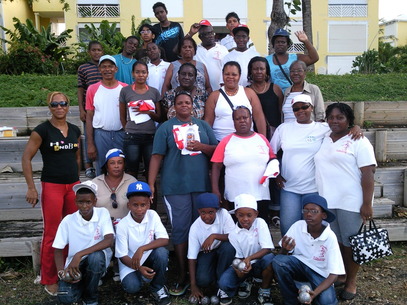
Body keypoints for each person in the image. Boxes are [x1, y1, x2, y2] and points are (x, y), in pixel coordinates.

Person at [149, 91, 218, 296]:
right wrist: (151, 184)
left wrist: (201, 146)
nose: (184, 105)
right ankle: (182, 273)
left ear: (193, 106)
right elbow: (156, 157)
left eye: (187, 102)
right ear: (174, 107)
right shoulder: (165, 128)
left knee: (200, 230)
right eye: (180, 103)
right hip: (175, 187)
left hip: (200, 187)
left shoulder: (203, 126)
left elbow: (215, 150)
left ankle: (200, 272)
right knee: (180, 230)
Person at [270, 94, 362, 236]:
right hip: (289, 188)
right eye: (296, 109)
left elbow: (342, 128)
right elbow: (270, 152)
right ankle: (289, 257)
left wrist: (356, 127)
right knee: (288, 228)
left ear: (311, 108)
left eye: (304, 107)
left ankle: (312, 256)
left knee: (315, 228)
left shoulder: (323, 128)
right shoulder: (283, 129)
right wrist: (276, 174)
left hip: (314, 188)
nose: (300, 111)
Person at [314, 103, 377, 301]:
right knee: (338, 242)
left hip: (351, 201)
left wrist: (367, 204)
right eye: (331, 117)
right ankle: (340, 275)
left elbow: (368, 173)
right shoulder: (325, 137)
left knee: (352, 244)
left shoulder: (358, 141)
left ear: (349, 120)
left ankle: (351, 281)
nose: (334, 121)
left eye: (340, 117)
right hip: (328, 200)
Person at [22, 91, 81, 296]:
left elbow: (76, 158)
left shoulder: (74, 130)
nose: (59, 107)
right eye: (55, 104)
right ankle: (49, 278)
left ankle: (70, 271)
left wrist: (78, 180)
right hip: (52, 186)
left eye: (63, 103)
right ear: (50, 107)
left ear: (68, 106)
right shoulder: (42, 131)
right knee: (52, 233)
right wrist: (31, 187)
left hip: (72, 186)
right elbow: (26, 158)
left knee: (73, 230)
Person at [272, 194, 345, 305]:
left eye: (314, 211)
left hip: (320, 274)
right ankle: (291, 300)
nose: (309, 214)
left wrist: (314, 293)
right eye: (305, 210)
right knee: (278, 261)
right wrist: (285, 249)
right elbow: (282, 256)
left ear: (323, 215)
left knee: (327, 302)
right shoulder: (298, 226)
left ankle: (310, 290)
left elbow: (334, 275)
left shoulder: (330, 237)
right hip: (300, 266)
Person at [53, 181, 115, 305]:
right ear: (75, 202)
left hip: (96, 261)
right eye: (81, 202)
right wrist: (61, 273)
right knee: (65, 298)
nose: (85, 206)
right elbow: (58, 249)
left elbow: (109, 240)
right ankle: (82, 284)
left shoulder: (102, 213)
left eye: (88, 202)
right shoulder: (68, 220)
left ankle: (90, 297)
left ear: (95, 201)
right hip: (75, 265)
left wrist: (79, 254)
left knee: (95, 258)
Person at [211, 106, 277, 221]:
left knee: (260, 227)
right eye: (238, 118)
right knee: (238, 230)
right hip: (236, 196)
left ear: (251, 119)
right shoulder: (226, 141)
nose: (242, 120)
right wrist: (215, 190)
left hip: (260, 194)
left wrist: (276, 174)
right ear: (233, 122)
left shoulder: (261, 138)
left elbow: (272, 159)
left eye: (245, 117)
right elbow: (216, 166)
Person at [115, 181, 170, 305]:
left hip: (148, 256)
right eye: (135, 205)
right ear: (129, 205)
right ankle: (142, 277)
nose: (139, 209)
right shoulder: (122, 225)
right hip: (130, 261)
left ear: (149, 205)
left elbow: (164, 239)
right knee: (132, 287)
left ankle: (158, 287)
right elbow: (123, 256)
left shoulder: (153, 215)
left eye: (143, 205)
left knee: (161, 252)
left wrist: (142, 249)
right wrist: (139, 268)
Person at [218, 194, 275, 305]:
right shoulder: (233, 234)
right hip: (245, 264)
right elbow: (238, 257)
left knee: (270, 258)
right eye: (241, 215)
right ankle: (246, 280)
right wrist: (239, 269)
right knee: (224, 283)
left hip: (259, 263)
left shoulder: (260, 223)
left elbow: (267, 248)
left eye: (249, 215)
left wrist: (249, 258)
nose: (245, 219)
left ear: (256, 214)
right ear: (236, 215)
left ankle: (264, 289)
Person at [188, 193, 236, 302]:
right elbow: (191, 258)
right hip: (206, 253)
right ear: (198, 211)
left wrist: (214, 236)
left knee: (229, 247)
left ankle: (222, 283)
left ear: (216, 210)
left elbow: (234, 236)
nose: (207, 216)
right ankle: (213, 277)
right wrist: (193, 285)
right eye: (203, 212)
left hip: (223, 249)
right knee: (203, 280)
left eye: (211, 212)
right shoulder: (195, 228)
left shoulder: (223, 214)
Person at [204, 61, 267, 142]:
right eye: (227, 74)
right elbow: (208, 122)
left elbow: (259, 118)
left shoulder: (249, 93)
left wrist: (263, 140)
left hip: (246, 141)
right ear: (222, 75)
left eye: (234, 74)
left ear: (239, 76)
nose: (230, 77)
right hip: (220, 142)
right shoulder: (214, 96)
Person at [86, 55, 127, 176]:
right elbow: (89, 116)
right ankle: (102, 194)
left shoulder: (124, 88)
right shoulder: (92, 89)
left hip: (121, 134)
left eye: (110, 66)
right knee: (101, 168)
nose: (107, 69)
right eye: (104, 67)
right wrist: (90, 143)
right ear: (99, 69)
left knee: (120, 167)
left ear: (116, 69)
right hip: (101, 135)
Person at [119, 61, 161, 179]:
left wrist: (148, 112)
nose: (140, 75)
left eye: (143, 72)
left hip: (150, 136)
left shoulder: (154, 92)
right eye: (137, 72)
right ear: (133, 74)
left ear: (147, 74)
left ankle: (152, 196)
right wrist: (127, 128)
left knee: (150, 170)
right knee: (132, 169)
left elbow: (160, 117)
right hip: (132, 136)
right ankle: (132, 195)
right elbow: (122, 115)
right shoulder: (125, 91)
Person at [77, 41, 103, 179]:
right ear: (89, 52)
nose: (96, 52)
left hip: (102, 108)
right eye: (93, 50)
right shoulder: (83, 68)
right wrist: (81, 109)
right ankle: (88, 166)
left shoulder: (106, 66)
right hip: (88, 107)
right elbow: (80, 89)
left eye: (99, 50)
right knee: (89, 135)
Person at [266, 28, 319, 93]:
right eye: (277, 42)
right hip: (274, 95)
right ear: (273, 45)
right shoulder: (266, 60)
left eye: (283, 42)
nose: (280, 44)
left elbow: (314, 58)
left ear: (288, 45)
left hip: (292, 94)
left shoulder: (295, 58)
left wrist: (306, 41)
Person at [93, 148, 137, 221]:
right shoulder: (95, 183)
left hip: (126, 227)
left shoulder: (132, 182)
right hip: (100, 228)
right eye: (112, 163)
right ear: (106, 166)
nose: (116, 166)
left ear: (124, 165)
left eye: (120, 162)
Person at [247, 56, 283, 138]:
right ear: (250, 71)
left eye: (262, 69)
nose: (259, 71)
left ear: (266, 71)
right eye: (255, 69)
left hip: (275, 133)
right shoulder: (247, 91)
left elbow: (281, 112)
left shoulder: (276, 89)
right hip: (253, 134)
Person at [190, 19, 228, 91]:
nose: (210, 36)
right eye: (206, 34)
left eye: (211, 32)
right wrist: (191, 33)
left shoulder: (223, 49)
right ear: (200, 37)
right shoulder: (195, 50)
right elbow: (178, 50)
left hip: (220, 92)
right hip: (199, 93)